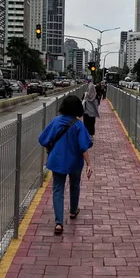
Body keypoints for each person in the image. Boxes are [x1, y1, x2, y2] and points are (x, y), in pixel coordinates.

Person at [39, 95, 93, 235]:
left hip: (57, 161)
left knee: (58, 189)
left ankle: (58, 223)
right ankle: (73, 211)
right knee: (75, 185)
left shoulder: (55, 122)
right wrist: (88, 163)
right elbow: (84, 146)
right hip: (75, 162)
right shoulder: (78, 125)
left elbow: (43, 139)